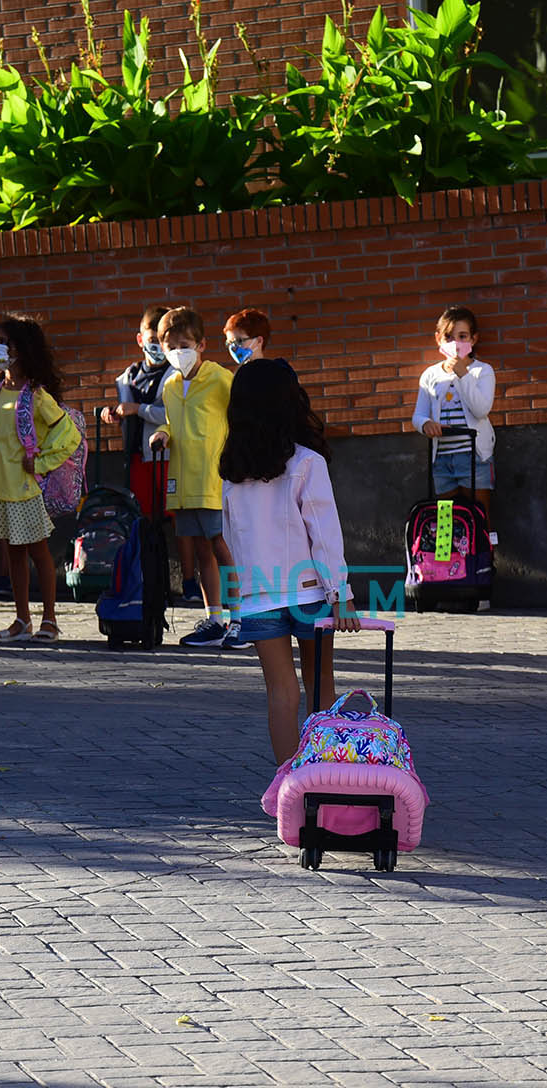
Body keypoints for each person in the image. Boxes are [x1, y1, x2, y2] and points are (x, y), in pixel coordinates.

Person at [220, 358, 360, 763]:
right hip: (311, 592)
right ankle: (324, 779)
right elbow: (325, 535)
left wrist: (241, 598)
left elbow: (231, 540)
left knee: (281, 692)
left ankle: (287, 787)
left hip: (259, 596)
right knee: (321, 688)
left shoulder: (232, 474)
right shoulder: (307, 463)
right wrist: (341, 595)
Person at [0, 316, 81, 642]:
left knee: (38, 552)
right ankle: (22, 620)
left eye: (3, 341)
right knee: (13, 554)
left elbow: (68, 435)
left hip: (25, 487)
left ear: (21, 348)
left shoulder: (36, 395)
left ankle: (49, 620)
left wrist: (42, 462)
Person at [146, 307, 245, 649]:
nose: (177, 351)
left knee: (223, 546)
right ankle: (214, 618)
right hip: (183, 482)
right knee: (200, 549)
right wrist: (162, 433)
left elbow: (241, 419)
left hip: (213, 480)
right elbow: (173, 424)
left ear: (202, 344)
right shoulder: (171, 386)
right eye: (170, 345)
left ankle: (240, 619)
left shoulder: (220, 379)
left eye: (184, 343)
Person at [102, 305, 188, 598]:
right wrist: (113, 414)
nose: (156, 346)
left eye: (160, 340)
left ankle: (188, 582)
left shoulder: (177, 374)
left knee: (180, 523)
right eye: (150, 339)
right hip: (137, 459)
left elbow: (175, 416)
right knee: (144, 522)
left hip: (168, 458)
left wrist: (139, 410)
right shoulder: (128, 376)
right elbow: (124, 410)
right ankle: (149, 580)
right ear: (140, 340)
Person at [410, 305, 496, 515]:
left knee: (478, 516)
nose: (455, 343)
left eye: (462, 336)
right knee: (447, 520)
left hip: (473, 456)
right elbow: (418, 415)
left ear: (473, 340)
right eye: (449, 337)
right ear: (438, 339)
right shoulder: (430, 375)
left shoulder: (482, 371)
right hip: (442, 459)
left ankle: (482, 549)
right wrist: (425, 423)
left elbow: (481, 410)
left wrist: (462, 374)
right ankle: (448, 550)